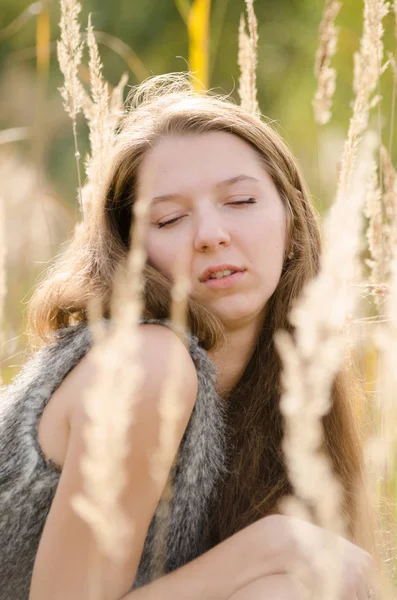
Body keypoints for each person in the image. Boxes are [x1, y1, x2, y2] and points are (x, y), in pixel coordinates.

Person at [0, 73, 376, 600]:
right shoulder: (145, 366)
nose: (211, 235)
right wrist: (273, 542)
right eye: (171, 218)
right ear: (131, 253)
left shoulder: (279, 400)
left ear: (291, 224)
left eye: (241, 202)